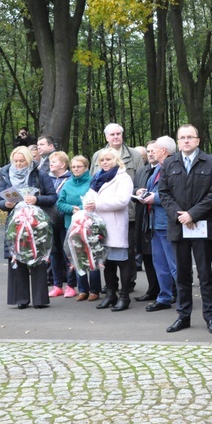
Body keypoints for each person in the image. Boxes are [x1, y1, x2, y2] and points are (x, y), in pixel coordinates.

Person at [159, 124, 212, 335]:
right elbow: (164, 193)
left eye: (190, 137)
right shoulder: (169, 163)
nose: (186, 141)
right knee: (182, 275)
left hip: (201, 226)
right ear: (178, 142)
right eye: (182, 138)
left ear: (197, 140)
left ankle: (211, 317)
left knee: (205, 274)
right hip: (178, 226)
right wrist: (180, 215)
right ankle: (183, 316)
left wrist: (192, 214)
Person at [0, 146, 57, 310]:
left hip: (36, 223)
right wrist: (6, 204)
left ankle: (40, 299)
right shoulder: (5, 174)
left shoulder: (40, 174)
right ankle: (20, 298)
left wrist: (36, 200)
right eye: (15, 161)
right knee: (15, 255)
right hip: (14, 222)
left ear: (29, 160)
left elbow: (53, 197)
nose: (18, 164)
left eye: (22, 161)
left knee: (37, 256)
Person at [91, 123, 145, 296]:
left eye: (118, 134)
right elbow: (93, 184)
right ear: (106, 137)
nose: (115, 137)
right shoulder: (98, 156)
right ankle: (111, 289)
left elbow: (141, 180)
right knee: (106, 256)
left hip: (127, 214)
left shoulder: (134, 155)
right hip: (101, 219)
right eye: (112, 134)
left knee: (126, 255)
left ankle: (127, 287)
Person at [83, 148, 133, 312]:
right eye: (102, 160)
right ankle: (110, 295)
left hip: (115, 225)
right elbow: (89, 197)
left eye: (108, 159)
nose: (105, 162)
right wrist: (87, 205)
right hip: (99, 226)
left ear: (116, 160)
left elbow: (122, 200)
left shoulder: (123, 177)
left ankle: (124, 297)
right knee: (107, 262)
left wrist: (97, 205)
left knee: (121, 262)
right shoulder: (97, 178)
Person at [141, 136, 178, 313]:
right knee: (160, 263)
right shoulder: (158, 168)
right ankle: (164, 296)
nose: (151, 152)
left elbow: (176, 193)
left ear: (163, 150)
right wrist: (143, 192)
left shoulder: (174, 166)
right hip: (155, 223)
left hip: (167, 222)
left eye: (154, 149)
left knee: (174, 263)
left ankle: (182, 297)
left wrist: (153, 197)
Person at [57, 155, 101, 302]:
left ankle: (95, 290)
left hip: (89, 224)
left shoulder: (93, 182)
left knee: (91, 257)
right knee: (76, 258)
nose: (76, 169)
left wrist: (81, 209)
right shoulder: (67, 184)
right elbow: (60, 203)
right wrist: (71, 209)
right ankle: (83, 290)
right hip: (71, 225)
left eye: (79, 167)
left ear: (86, 167)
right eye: (73, 167)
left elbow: (95, 201)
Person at [133, 141, 161, 303]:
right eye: (148, 151)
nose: (150, 154)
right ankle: (152, 289)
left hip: (159, 219)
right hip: (143, 218)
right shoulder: (142, 171)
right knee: (147, 256)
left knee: (162, 257)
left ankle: (169, 290)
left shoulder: (166, 169)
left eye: (153, 151)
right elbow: (133, 189)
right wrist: (137, 191)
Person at [46, 151, 76, 298]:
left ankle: (71, 285)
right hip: (50, 220)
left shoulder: (71, 178)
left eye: (55, 162)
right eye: (50, 161)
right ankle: (57, 285)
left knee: (68, 253)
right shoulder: (46, 178)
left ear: (63, 164)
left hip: (66, 220)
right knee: (54, 252)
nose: (51, 164)